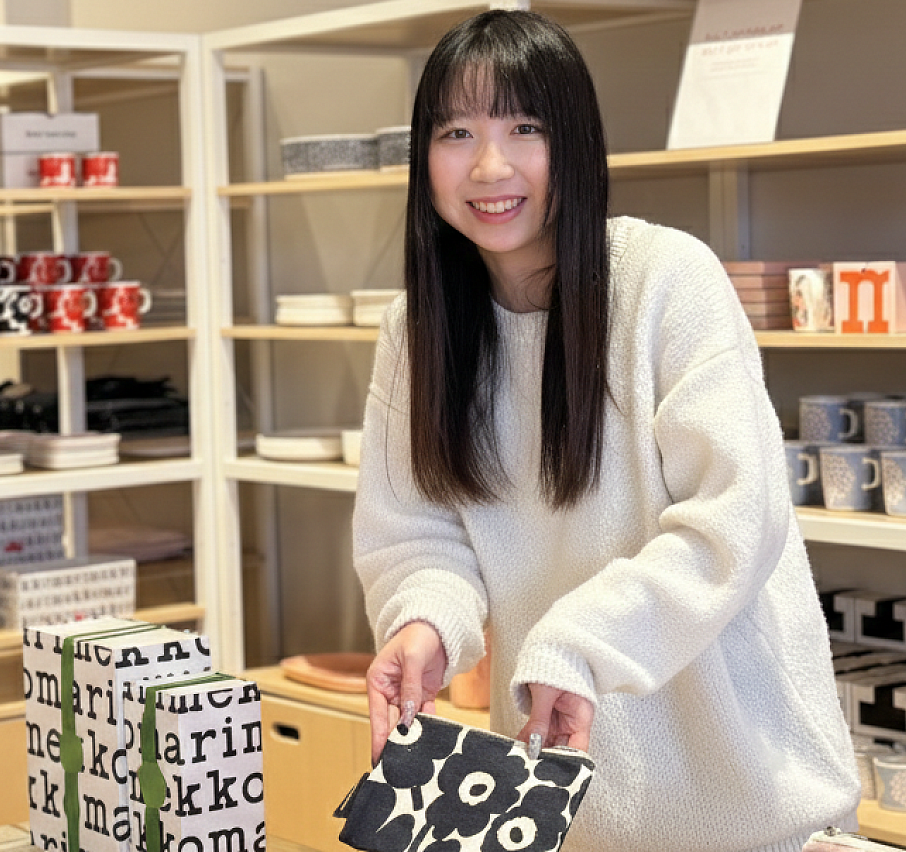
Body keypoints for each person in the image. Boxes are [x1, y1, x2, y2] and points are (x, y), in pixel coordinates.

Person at [352, 9, 859, 852]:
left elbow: (733, 522)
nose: (489, 165)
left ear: (577, 143)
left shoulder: (667, 281)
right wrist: (425, 622)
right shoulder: (416, 332)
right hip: (565, 811)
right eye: (456, 132)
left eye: (525, 127)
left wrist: (580, 642)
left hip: (757, 809)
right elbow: (417, 533)